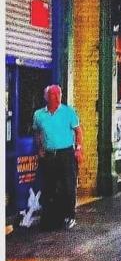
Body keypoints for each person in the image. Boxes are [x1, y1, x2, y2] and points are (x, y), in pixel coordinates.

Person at [33, 85, 83, 230]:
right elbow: (37, 132)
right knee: (49, 187)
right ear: (46, 97)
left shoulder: (68, 112)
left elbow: (78, 131)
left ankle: (70, 216)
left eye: (58, 94)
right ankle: (52, 218)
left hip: (66, 154)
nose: (56, 97)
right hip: (49, 155)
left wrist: (78, 149)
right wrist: (40, 148)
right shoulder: (39, 115)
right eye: (53, 95)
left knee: (68, 186)